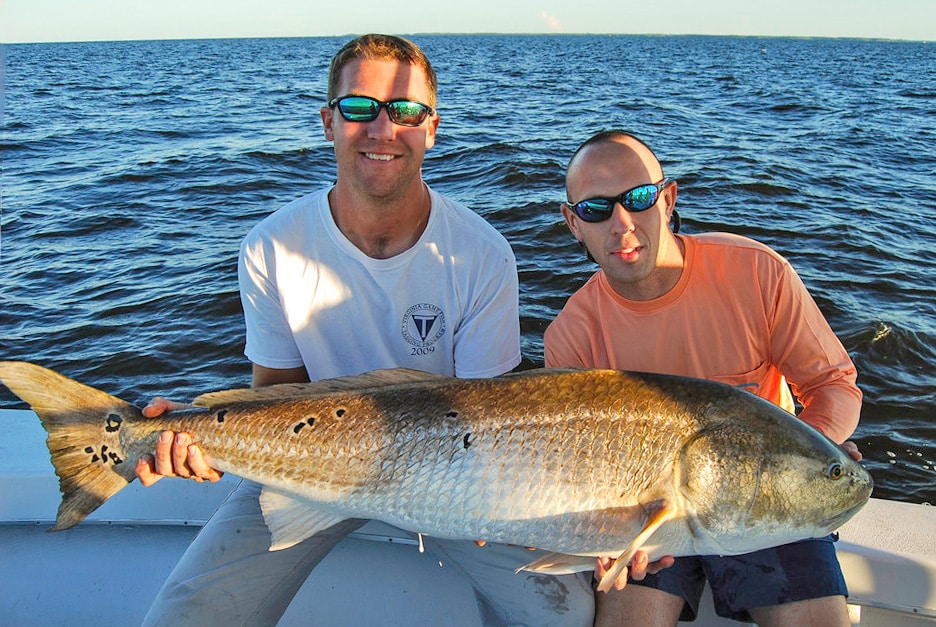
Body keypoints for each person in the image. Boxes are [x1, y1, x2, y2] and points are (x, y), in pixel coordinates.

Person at [134, 34, 596, 626]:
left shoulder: (483, 254)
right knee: (183, 615)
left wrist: (493, 504)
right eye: (359, 108)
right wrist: (195, 440)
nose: (383, 129)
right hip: (312, 472)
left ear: (431, 128)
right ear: (329, 123)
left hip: (454, 480)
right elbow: (277, 392)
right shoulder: (271, 247)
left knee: (565, 612)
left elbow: (493, 420)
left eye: (404, 111)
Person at [544, 130, 863, 627]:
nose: (622, 225)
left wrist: (816, 447)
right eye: (595, 210)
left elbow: (835, 384)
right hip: (647, 516)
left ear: (667, 199)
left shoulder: (757, 274)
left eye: (639, 198)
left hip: (764, 504)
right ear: (572, 223)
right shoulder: (571, 335)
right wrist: (600, 538)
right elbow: (572, 468)